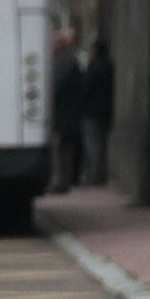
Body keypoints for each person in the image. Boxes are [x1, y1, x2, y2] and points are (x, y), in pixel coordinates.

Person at [49, 32, 84, 193]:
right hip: (70, 113)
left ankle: (62, 181)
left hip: (64, 113)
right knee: (66, 148)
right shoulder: (71, 60)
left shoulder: (63, 62)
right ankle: (65, 180)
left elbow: (56, 86)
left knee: (61, 148)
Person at [81, 39, 115, 186]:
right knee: (103, 145)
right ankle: (102, 174)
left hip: (92, 112)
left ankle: (95, 177)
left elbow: (85, 89)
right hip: (106, 111)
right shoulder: (110, 67)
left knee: (93, 145)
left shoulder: (93, 67)